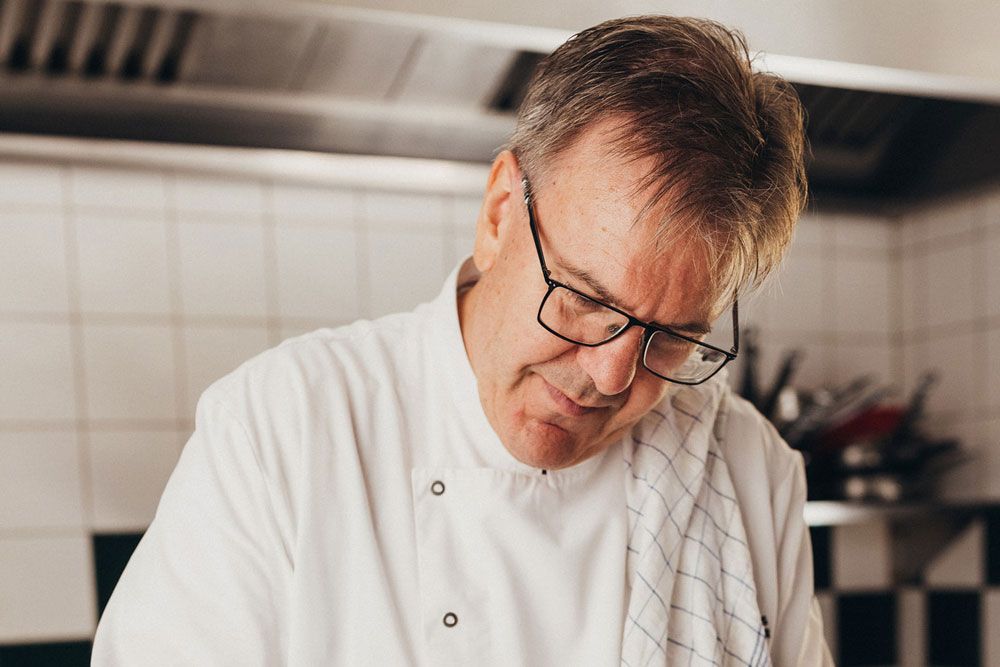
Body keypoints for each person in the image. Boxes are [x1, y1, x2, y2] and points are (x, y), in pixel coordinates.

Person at [93, 15, 832, 666]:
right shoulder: (284, 426)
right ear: (501, 211)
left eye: (670, 337)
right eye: (582, 298)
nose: (610, 375)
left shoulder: (746, 468)